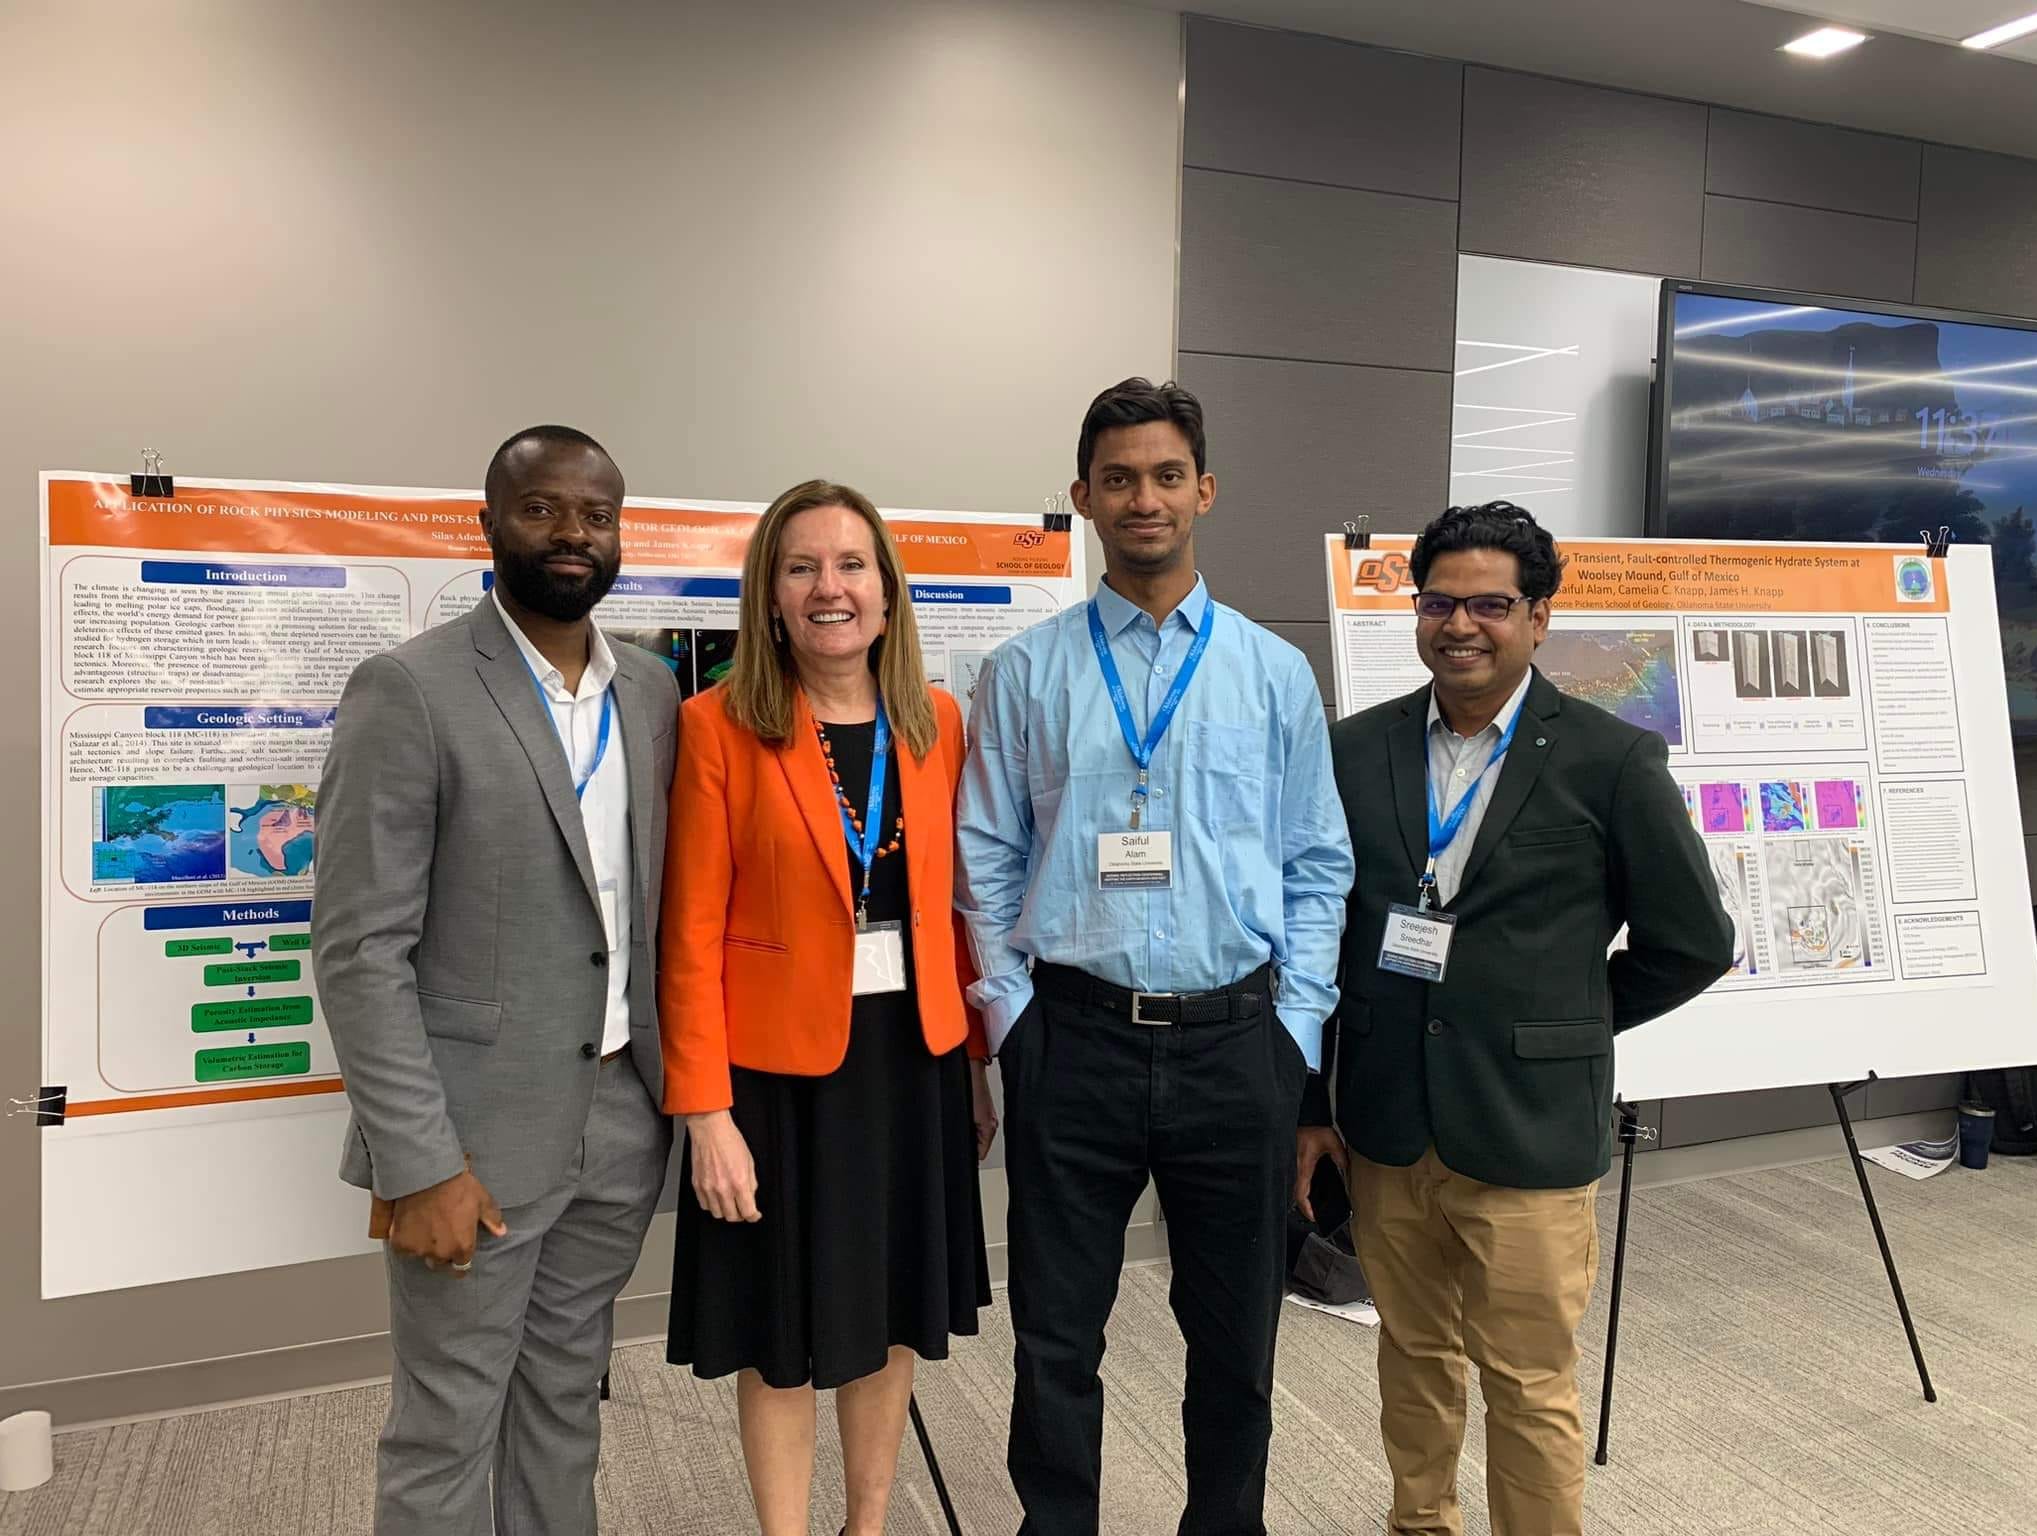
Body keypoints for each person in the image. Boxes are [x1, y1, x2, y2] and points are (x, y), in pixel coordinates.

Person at [956, 378, 1354, 1536]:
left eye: (1166, 475)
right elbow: (984, 856)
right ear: (1082, 498)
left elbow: (1314, 866)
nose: (1144, 498)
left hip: (1236, 1045)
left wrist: (1295, 1034)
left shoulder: (1272, 674)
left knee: (1234, 1340)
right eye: (1118, 478)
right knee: (1054, 1337)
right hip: (1069, 1042)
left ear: (1205, 491)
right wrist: (1011, 1019)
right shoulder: (1025, 671)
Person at [1296, 501, 1733, 1536]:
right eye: (1439, 602)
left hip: (1530, 1130)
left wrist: (1568, 1024)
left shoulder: (1608, 760)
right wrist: (1313, 1101)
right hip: (1387, 1122)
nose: (1460, 625)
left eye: (1489, 604)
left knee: (1527, 1381)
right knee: (1410, 1354)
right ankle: (1421, 1521)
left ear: (1538, 615)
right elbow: (1313, 936)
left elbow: (1691, 943)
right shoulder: (1350, 750)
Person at [312, 425, 680, 1535]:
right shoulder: (410, 689)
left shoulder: (655, 694)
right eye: (543, 508)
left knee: (567, 1400)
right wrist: (418, 1163)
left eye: (596, 514)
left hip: (618, 1121)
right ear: (489, 525)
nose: (573, 533)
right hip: (471, 1141)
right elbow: (357, 949)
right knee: (445, 1422)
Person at [661, 479, 997, 1536]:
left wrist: (974, 1061)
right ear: (769, 596)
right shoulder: (717, 727)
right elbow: (689, 935)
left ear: (887, 596)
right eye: (801, 567)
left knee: (892, 1310)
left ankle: (866, 1524)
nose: (828, 588)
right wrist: (703, 1113)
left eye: (850, 566)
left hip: (910, 1061)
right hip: (774, 1080)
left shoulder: (934, 721)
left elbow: (953, 908)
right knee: (780, 1331)